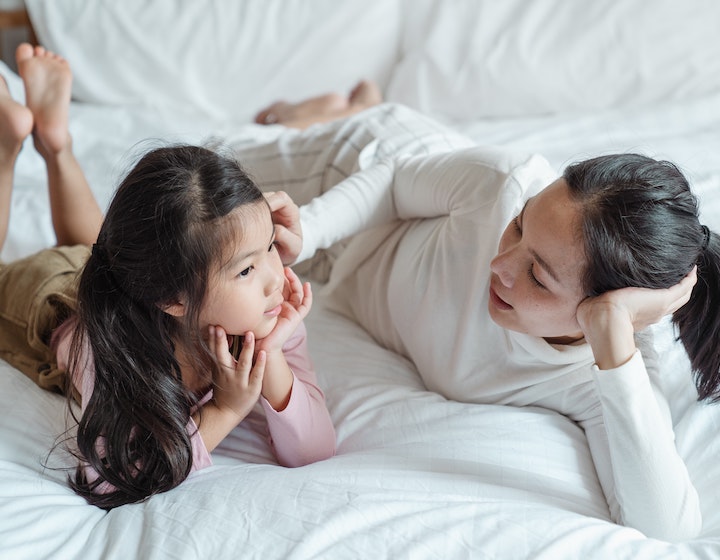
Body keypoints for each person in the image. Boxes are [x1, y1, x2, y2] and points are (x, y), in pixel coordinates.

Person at [237, 89, 719, 541]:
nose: (499, 265)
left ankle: (353, 103)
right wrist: (308, 229)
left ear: (601, 312)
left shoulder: (604, 375)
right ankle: (351, 109)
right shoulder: (501, 183)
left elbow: (668, 529)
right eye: (518, 227)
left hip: (345, 272)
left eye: (537, 275)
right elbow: (395, 179)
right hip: (349, 176)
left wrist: (615, 335)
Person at [0, 44, 335, 510]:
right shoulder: (113, 352)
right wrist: (226, 410)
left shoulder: (264, 310)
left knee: (92, 246)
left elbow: (315, 450)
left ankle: (56, 143)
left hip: (117, 275)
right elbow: (108, 481)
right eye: (246, 268)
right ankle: (6, 147)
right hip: (48, 300)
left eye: (271, 249)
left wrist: (271, 353)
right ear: (172, 300)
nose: (275, 279)